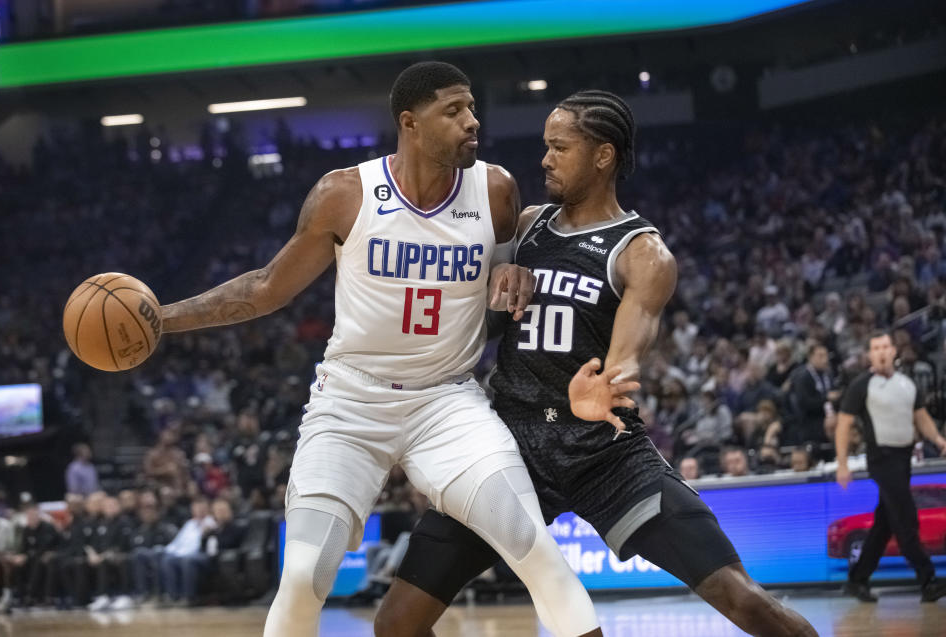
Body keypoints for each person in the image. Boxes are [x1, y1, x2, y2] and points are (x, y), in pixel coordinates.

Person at [157, 61, 602, 637]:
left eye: (472, 108)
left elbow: (502, 278)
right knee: (303, 577)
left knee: (532, 546)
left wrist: (510, 272)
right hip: (351, 404)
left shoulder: (495, 190)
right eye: (454, 111)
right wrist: (161, 321)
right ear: (410, 123)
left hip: (448, 403)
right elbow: (268, 289)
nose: (473, 121)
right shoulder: (344, 194)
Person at [374, 91, 816, 637]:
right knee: (396, 624)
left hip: (602, 450)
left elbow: (630, 351)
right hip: (508, 446)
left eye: (560, 147)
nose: (545, 159)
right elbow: (471, 315)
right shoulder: (527, 225)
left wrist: (608, 383)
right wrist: (492, 284)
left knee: (742, 599)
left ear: (602, 155)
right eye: (545, 146)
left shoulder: (640, 252)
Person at [835, 331, 946, 602]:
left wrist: (939, 440)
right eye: (876, 348)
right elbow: (844, 424)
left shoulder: (907, 385)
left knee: (885, 523)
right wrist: (842, 463)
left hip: (903, 458)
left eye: (885, 346)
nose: (882, 352)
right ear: (870, 354)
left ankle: (857, 579)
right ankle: (928, 578)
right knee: (906, 516)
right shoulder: (862, 385)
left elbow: (922, 418)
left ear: (893, 351)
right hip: (881, 459)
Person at [160, 498, 215, 606]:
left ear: (207, 509)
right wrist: (166, 551)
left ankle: (189, 597)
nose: (199, 510)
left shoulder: (211, 522)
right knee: (167, 559)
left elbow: (201, 545)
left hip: (201, 554)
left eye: (201, 508)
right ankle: (173, 596)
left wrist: (205, 531)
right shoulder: (189, 523)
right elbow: (177, 542)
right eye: (196, 508)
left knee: (187, 560)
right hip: (183, 554)